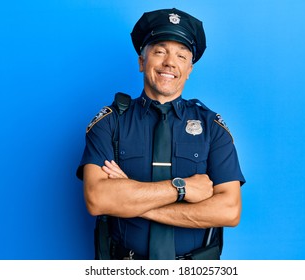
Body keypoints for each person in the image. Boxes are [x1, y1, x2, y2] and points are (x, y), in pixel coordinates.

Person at [76, 8, 245, 260]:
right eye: (159, 51)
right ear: (142, 61)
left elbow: (229, 211)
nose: (169, 62)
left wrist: (132, 201)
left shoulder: (212, 127)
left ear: (189, 69)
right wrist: (183, 188)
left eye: (181, 55)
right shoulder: (110, 123)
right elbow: (98, 199)